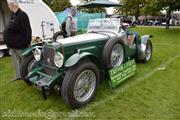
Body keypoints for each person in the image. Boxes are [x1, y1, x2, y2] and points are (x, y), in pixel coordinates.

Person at [3, 0, 32, 81]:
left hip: (20, 44)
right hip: (12, 45)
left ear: (12, 4)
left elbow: (27, 30)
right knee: (16, 61)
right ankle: (18, 76)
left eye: (8, 4)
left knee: (24, 62)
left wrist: (27, 42)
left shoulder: (22, 15)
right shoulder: (13, 15)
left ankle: (27, 76)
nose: (8, 6)